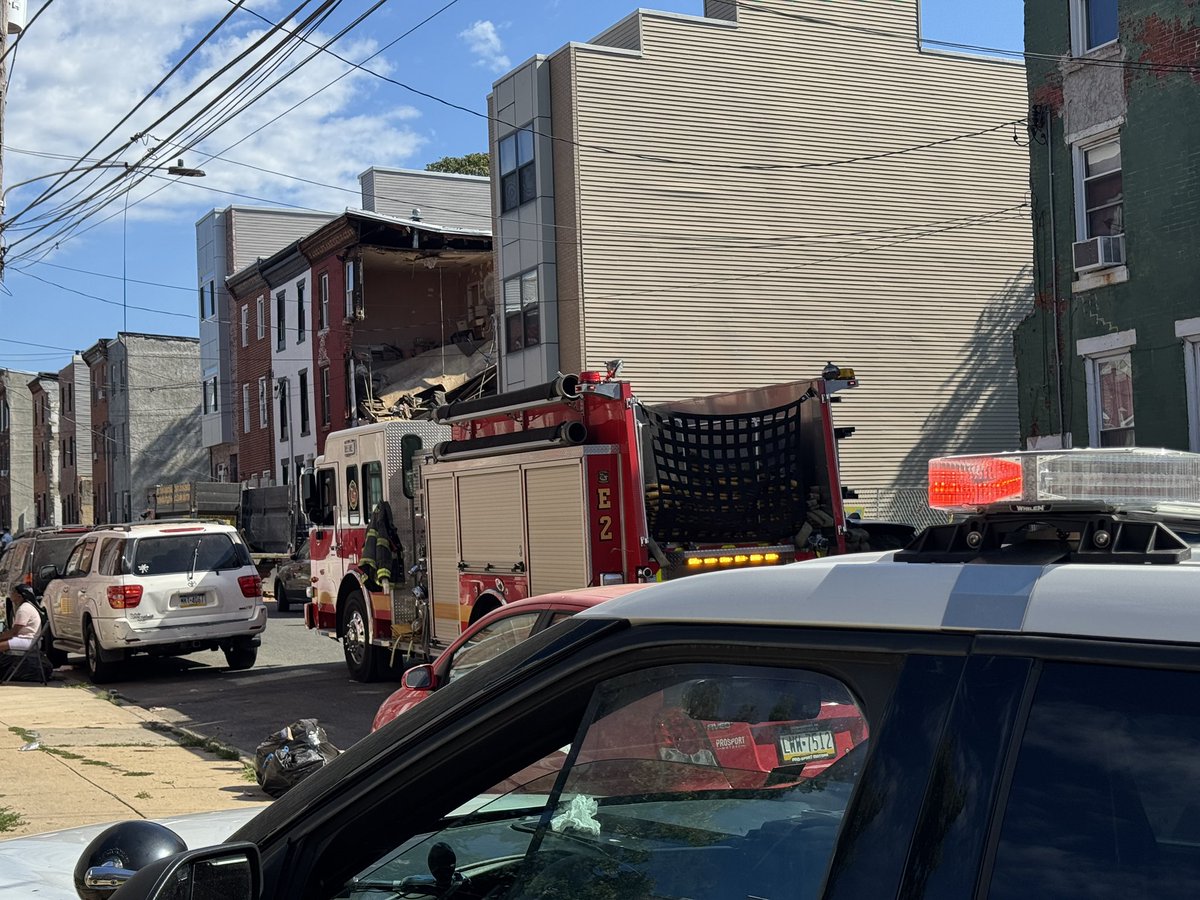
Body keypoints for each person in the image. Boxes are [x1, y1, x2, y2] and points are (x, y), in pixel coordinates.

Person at [0, 584, 40, 655]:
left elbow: (14, 632)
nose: (11, 594)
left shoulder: (24, 609)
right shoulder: (25, 606)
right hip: (25, 638)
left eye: (13, 592)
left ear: (19, 596)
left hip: (28, 640)